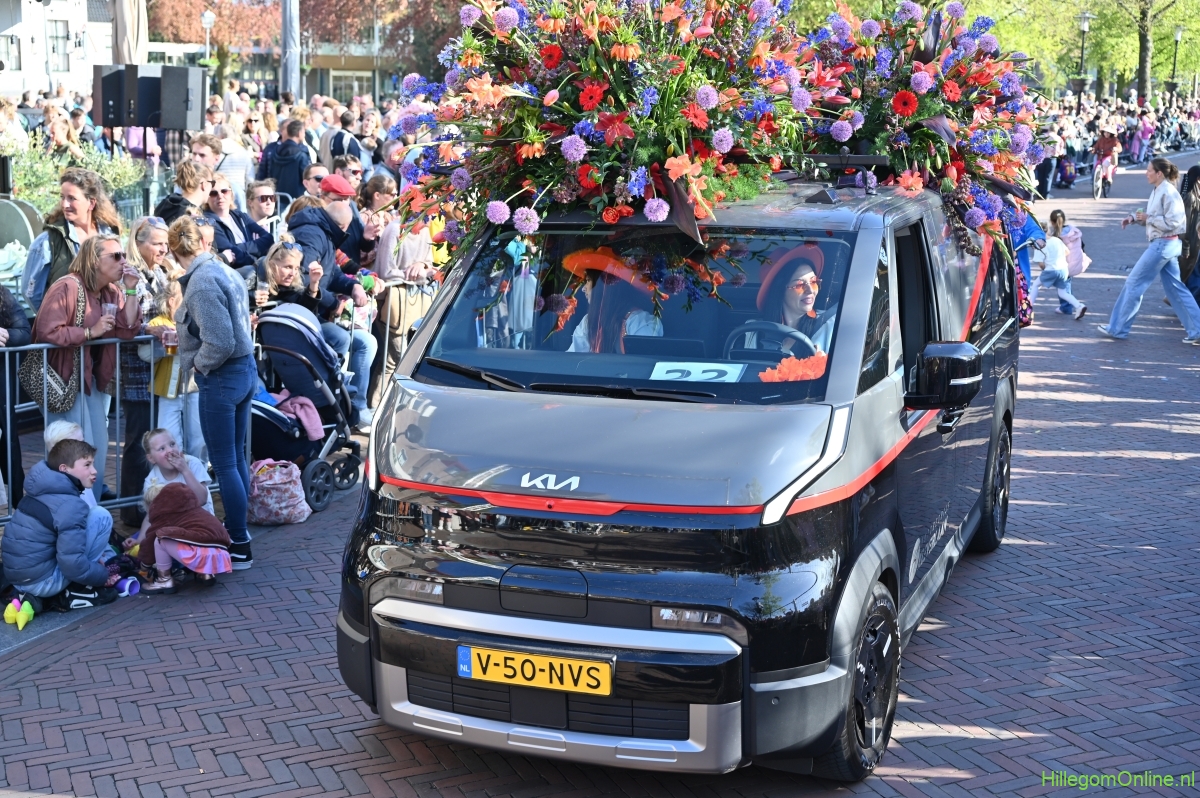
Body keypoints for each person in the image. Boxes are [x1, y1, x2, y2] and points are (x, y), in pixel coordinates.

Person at [170, 216, 256, 569]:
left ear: (174, 250)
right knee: (234, 459)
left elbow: (220, 341)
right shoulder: (222, 271)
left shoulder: (202, 282)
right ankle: (240, 532)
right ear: (203, 242)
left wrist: (199, 365)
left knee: (226, 462)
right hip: (242, 370)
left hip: (223, 375)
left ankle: (239, 541)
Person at [32, 234, 143, 501]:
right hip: (63, 379)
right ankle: (72, 508)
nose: (123, 261)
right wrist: (90, 332)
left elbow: (127, 328)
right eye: (116, 256)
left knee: (96, 447)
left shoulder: (111, 291)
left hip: (88, 379)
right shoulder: (67, 287)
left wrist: (130, 289)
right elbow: (47, 331)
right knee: (74, 452)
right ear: (94, 260)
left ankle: (90, 508)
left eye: (124, 255)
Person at [285, 198, 376, 428]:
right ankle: (329, 404)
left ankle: (351, 406)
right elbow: (304, 279)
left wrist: (353, 286)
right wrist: (332, 302)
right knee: (341, 338)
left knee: (365, 342)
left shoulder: (322, 232)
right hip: (299, 313)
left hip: (312, 312)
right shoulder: (312, 234)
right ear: (342, 227)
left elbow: (332, 273)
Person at [0, 439, 120, 610]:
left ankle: (34, 595)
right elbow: (72, 565)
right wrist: (102, 575)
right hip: (42, 582)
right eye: (87, 465)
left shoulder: (40, 489)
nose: (94, 471)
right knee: (101, 516)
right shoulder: (69, 504)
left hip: (17, 580)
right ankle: (79, 589)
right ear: (64, 468)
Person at [1100, 158, 1200, 343]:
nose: (1146, 174)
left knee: (1134, 282)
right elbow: (1154, 217)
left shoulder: (1168, 192)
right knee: (1175, 289)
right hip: (1166, 244)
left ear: (1159, 173)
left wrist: (1149, 218)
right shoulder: (1159, 190)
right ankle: (1197, 330)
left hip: (1163, 244)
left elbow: (1175, 223)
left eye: (1149, 170)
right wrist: (1134, 218)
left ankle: (1118, 328)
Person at [116, 217, 174, 527]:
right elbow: (123, 324)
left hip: (161, 369)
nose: (163, 249)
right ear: (139, 244)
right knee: (138, 441)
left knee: (154, 440)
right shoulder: (129, 276)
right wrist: (148, 329)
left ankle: (150, 503)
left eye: (166, 243)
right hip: (137, 372)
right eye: (157, 243)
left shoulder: (162, 272)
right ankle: (130, 509)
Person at [22, 168, 122, 312]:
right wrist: (56, 318)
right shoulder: (48, 241)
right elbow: (31, 293)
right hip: (68, 325)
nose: (64, 204)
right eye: (62, 197)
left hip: (108, 321)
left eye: (72, 198)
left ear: (91, 203)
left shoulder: (109, 233)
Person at [142, 276, 205, 462]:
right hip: (167, 392)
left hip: (195, 388)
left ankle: (197, 474)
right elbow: (144, 354)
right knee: (168, 437)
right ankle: (172, 475)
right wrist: (164, 347)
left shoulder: (197, 321)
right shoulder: (158, 324)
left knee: (199, 439)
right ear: (172, 301)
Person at [130, 481, 232, 594]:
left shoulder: (165, 517)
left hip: (201, 557)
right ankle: (206, 574)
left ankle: (164, 580)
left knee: (160, 538)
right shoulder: (194, 510)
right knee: (191, 538)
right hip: (222, 555)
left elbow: (149, 545)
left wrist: (144, 565)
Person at [561, 248, 664, 353]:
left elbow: (641, 360)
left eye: (588, 280)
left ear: (604, 286)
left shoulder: (640, 322)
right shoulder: (588, 322)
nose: (583, 288)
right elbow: (573, 358)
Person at [748, 244, 836, 354]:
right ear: (779, 290)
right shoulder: (753, 331)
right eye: (799, 285)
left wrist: (825, 363)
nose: (810, 290)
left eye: (813, 282)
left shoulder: (830, 325)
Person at [0, 283, 32, 507]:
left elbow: (24, 333)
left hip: (1, 386)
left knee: (8, 442)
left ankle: (16, 505)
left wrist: (5, 335)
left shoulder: (3, 295)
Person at [204, 174, 274, 267]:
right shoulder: (208, 222)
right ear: (207, 197)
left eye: (224, 191)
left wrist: (238, 246)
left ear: (231, 194)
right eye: (213, 193)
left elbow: (269, 238)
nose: (220, 196)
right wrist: (255, 256)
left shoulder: (240, 215)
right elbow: (233, 254)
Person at [1027, 224, 1087, 320]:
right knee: (1063, 293)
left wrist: (1047, 265)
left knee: (1035, 285)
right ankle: (1079, 306)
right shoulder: (1056, 240)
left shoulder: (1039, 244)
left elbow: (1041, 264)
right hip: (1063, 269)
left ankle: (1028, 309)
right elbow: (1067, 252)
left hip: (1051, 269)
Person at [257, 119, 311, 202]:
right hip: (295, 199)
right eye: (304, 132)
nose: (304, 135)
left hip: (277, 197)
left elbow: (267, 173)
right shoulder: (301, 154)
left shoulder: (274, 151)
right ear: (299, 133)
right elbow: (307, 176)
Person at [153, 161, 216, 225]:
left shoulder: (167, 204)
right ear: (204, 184)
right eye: (212, 183)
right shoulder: (191, 217)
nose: (212, 188)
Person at [1092, 126, 1121, 198]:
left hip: (1110, 156)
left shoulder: (1115, 140)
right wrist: (1092, 149)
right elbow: (1095, 147)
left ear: (1111, 133)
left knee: (1107, 163)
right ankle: (1095, 181)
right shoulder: (1100, 139)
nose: (1106, 134)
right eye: (1105, 132)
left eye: (1108, 133)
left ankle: (1109, 178)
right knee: (1095, 168)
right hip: (1100, 156)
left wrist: (1115, 149)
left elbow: (1119, 148)